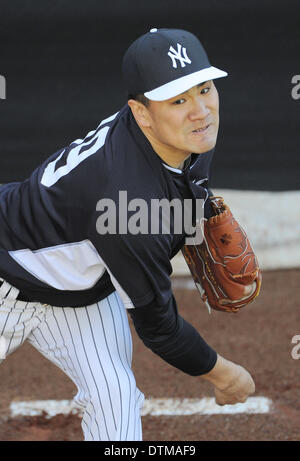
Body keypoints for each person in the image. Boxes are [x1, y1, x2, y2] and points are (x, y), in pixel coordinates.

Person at [0, 28, 255, 441]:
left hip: (78, 292)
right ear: (141, 113)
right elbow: (159, 327)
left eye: (204, 88)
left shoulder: (189, 137)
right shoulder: (124, 202)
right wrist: (224, 375)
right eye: (178, 99)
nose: (200, 111)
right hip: (5, 272)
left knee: (115, 400)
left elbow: (179, 194)